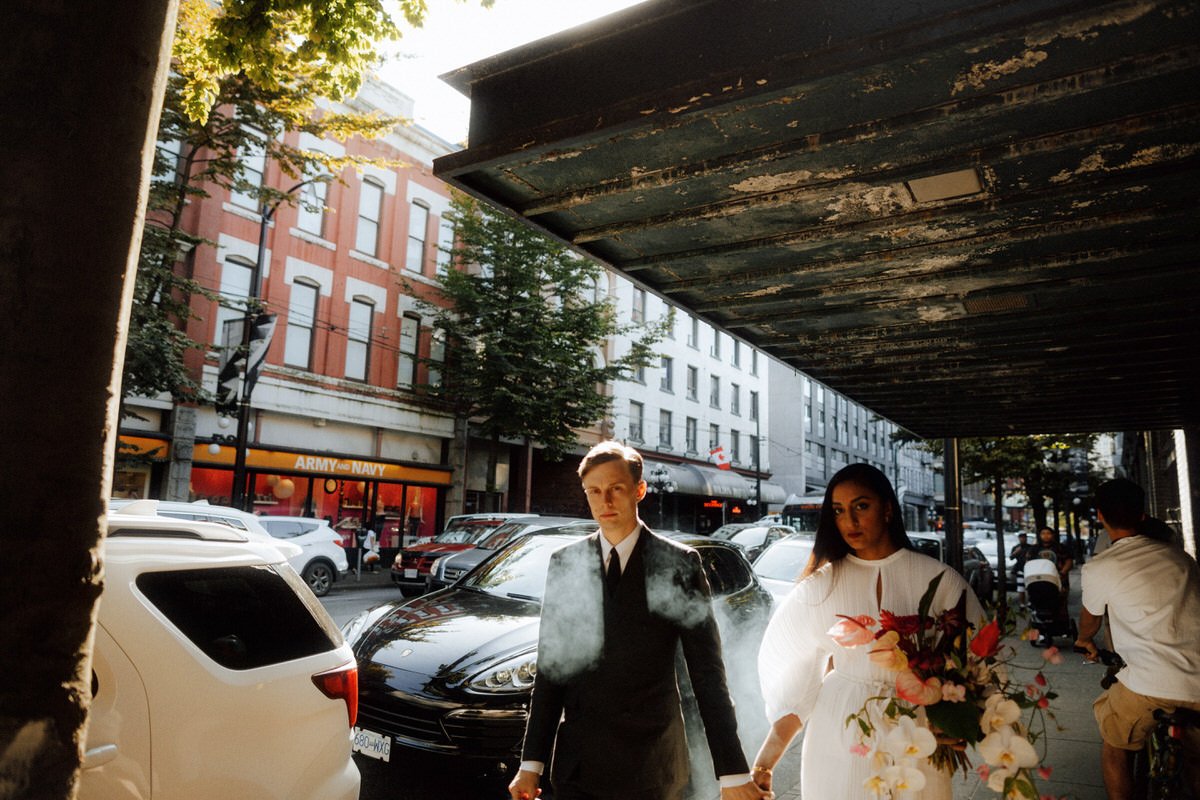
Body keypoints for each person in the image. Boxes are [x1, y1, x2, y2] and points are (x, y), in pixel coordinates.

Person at [508, 441, 767, 800]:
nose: (605, 501)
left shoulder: (678, 563)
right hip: (578, 767)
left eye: (616, 489)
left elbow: (708, 677)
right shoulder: (565, 563)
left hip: (652, 767)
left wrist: (733, 772)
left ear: (639, 490)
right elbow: (551, 671)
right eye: (594, 492)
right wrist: (530, 765)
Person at [753, 463, 983, 799]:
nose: (850, 521)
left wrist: (960, 720)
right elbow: (798, 681)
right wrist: (764, 763)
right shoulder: (822, 585)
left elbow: (978, 665)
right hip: (840, 727)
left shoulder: (941, 579)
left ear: (888, 509)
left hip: (916, 729)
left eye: (861, 506)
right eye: (839, 510)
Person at [1075, 478, 1200, 800]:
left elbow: (1090, 620)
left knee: (1116, 747)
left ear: (1100, 516)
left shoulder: (1100, 567)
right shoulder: (1182, 560)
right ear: (1143, 515)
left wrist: (1084, 641)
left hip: (1147, 684)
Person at [1032, 527, 1073, 613]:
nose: (1046, 536)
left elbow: (1069, 561)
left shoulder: (1060, 548)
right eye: (1043, 533)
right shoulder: (1034, 549)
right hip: (1040, 581)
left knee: (1061, 606)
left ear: (1053, 535)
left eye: (1048, 533)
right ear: (1039, 535)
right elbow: (1028, 563)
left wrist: (1062, 572)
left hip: (1059, 580)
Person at [1009, 532, 1036, 605]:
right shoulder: (1016, 547)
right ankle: (1022, 604)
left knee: (1030, 587)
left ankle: (1030, 602)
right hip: (1020, 569)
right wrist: (1016, 552)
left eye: (1024, 538)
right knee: (1021, 588)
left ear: (1026, 538)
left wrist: (1029, 556)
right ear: (1019, 538)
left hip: (1030, 569)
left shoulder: (1031, 547)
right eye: (1021, 538)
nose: (1022, 539)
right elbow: (1011, 557)